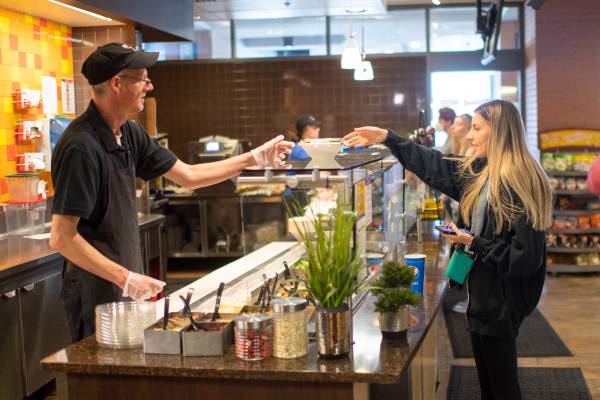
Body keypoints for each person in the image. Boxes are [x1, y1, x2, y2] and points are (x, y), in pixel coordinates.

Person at [50, 43, 293, 341]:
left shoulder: (129, 133)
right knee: (103, 381)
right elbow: (62, 237)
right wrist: (125, 278)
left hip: (125, 281)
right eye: (142, 78)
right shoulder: (81, 147)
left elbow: (188, 176)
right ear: (116, 83)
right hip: (94, 290)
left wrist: (253, 159)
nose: (149, 86)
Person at [344, 100, 552, 400]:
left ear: (500, 133)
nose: (469, 136)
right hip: (482, 296)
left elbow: (525, 258)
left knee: (503, 388)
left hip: (502, 303)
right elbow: (436, 166)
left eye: (477, 128)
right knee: (489, 385)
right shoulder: (481, 173)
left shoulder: (521, 183)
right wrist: (388, 138)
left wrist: (473, 242)